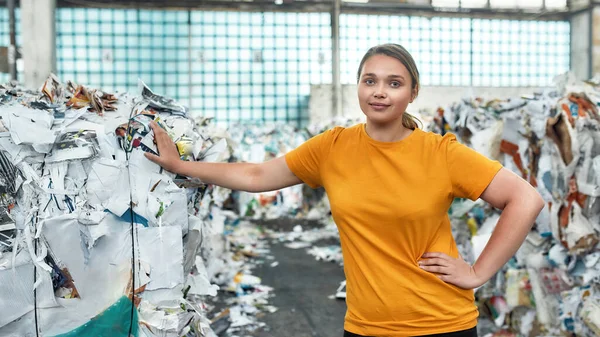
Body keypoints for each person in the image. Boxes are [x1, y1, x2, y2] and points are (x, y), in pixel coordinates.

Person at [145, 43, 545, 337]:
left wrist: (478, 272)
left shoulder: (441, 153)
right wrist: (181, 166)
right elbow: (256, 175)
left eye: (394, 83)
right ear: (358, 87)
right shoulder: (332, 147)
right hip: (365, 326)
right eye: (370, 80)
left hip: (441, 324)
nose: (380, 91)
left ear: (413, 93)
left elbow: (525, 199)